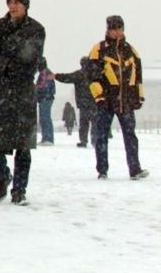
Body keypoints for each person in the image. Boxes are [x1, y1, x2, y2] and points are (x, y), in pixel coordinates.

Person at [0, 0, 45, 206]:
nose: (14, 6)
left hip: (23, 89)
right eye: (11, 2)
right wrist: (5, 64)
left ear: (26, 5)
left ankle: (20, 190)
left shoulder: (36, 29)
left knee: (23, 144)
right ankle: (4, 175)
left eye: (18, 2)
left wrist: (11, 62)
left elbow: (32, 58)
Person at [87, 15, 148, 180]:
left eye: (119, 28)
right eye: (113, 29)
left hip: (126, 101)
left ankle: (135, 169)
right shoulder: (98, 49)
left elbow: (139, 76)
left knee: (130, 136)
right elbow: (92, 76)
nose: (117, 32)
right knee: (102, 135)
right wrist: (99, 96)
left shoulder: (131, 51)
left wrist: (139, 96)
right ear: (108, 29)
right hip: (106, 101)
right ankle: (102, 170)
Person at [54, 57, 98, 147]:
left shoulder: (79, 74)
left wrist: (56, 76)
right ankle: (95, 140)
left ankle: (83, 141)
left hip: (83, 103)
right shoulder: (95, 74)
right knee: (95, 124)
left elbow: (67, 77)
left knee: (84, 124)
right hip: (94, 102)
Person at [35, 59, 56, 145]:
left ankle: (48, 138)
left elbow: (43, 86)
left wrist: (34, 87)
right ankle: (47, 138)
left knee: (45, 118)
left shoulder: (44, 73)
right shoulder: (47, 72)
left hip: (45, 98)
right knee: (45, 118)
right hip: (47, 98)